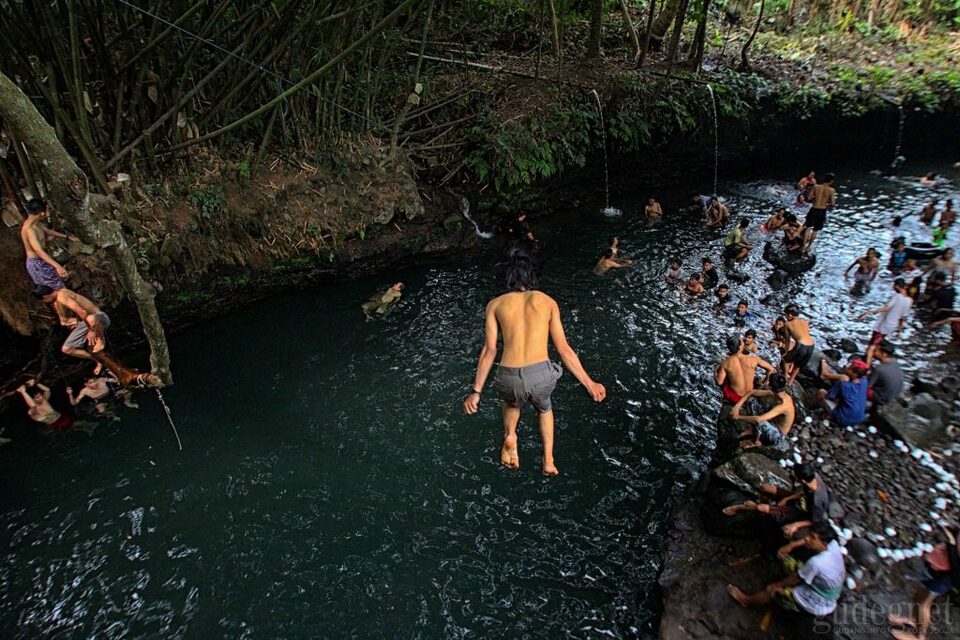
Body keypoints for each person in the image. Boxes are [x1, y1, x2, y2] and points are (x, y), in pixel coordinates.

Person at [462, 245, 606, 476]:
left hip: (508, 376)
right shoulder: (547, 302)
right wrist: (590, 384)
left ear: (507, 275)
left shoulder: (495, 305)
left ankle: (510, 435)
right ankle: (548, 460)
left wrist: (476, 391)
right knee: (544, 408)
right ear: (532, 274)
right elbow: (564, 350)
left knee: (511, 402)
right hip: (540, 377)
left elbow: (489, 350)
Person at [728, 526, 844, 618]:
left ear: (824, 543)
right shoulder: (833, 544)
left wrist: (777, 585)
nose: (807, 539)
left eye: (812, 537)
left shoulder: (817, 562)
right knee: (787, 559)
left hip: (818, 601)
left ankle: (746, 600)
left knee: (773, 590)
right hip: (820, 585)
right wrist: (792, 545)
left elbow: (797, 578)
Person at [888, 525, 959, 640]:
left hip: (945, 577)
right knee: (918, 596)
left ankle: (920, 636)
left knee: (924, 603)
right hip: (937, 567)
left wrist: (951, 543)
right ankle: (914, 620)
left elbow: (956, 566)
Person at [722, 463, 830, 535]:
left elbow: (814, 521)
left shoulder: (817, 501)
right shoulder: (813, 476)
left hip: (799, 510)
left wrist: (796, 525)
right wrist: (787, 498)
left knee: (761, 508)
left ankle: (741, 507)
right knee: (765, 487)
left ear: (802, 481)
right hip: (799, 499)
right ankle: (766, 508)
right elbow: (802, 493)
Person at [31, 285, 108, 358]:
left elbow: (82, 312)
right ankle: (97, 360)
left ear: (45, 297)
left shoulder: (62, 297)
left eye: (43, 301)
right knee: (67, 349)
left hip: (99, 317)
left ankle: (101, 340)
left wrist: (91, 331)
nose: (46, 303)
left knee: (91, 318)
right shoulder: (61, 292)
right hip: (86, 322)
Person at [730, 372, 795, 451]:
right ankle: (754, 431)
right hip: (772, 422)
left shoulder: (783, 405)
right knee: (751, 400)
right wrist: (737, 406)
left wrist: (738, 417)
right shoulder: (779, 394)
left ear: (771, 387)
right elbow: (752, 392)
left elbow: (758, 419)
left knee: (759, 421)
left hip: (777, 435)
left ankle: (755, 441)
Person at [20, 198, 74, 290]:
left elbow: (47, 231)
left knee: (60, 288)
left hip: (43, 260)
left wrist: (67, 237)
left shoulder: (36, 224)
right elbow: (38, 250)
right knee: (56, 291)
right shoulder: (29, 229)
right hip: (37, 264)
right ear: (42, 213)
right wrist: (57, 266)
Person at [858, 278, 912, 361]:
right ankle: (869, 358)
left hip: (885, 323)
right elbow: (902, 317)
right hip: (892, 325)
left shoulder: (897, 296)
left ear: (896, 286)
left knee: (873, 344)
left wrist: (870, 312)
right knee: (877, 342)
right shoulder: (909, 300)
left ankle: (866, 362)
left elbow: (886, 308)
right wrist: (900, 331)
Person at [714, 334, 775, 405]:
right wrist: (764, 382)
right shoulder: (753, 359)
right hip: (749, 394)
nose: (744, 342)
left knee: (723, 373)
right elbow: (771, 369)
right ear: (740, 346)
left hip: (736, 397)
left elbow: (719, 382)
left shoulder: (726, 362)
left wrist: (715, 372)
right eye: (742, 342)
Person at [818, 358, 869, 427]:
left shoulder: (843, 385)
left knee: (821, 392)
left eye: (849, 367)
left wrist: (824, 363)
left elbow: (828, 396)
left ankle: (830, 416)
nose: (847, 367)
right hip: (859, 419)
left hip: (843, 419)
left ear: (854, 373)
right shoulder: (864, 381)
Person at [803, 172, 836, 252]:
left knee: (808, 228)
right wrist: (826, 203)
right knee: (815, 230)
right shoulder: (831, 190)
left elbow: (809, 198)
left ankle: (803, 247)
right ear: (831, 181)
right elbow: (833, 203)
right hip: (822, 210)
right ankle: (808, 247)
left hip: (814, 208)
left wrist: (815, 199)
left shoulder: (816, 187)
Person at [782, 304, 815, 386]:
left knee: (785, 360)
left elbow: (787, 340)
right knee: (798, 365)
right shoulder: (805, 322)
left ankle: (786, 376)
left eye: (786, 314)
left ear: (790, 314)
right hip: (811, 346)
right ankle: (791, 381)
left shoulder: (788, 324)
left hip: (801, 345)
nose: (786, 316)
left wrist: (786, 351)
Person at [867, 340, 903, 406]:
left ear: (884, 354)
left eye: (875, 350)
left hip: (882, 400)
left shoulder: (879, 369)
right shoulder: (895, 363)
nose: (873, 352)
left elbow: (867, 385)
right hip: (893, 397)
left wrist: (869, 358)